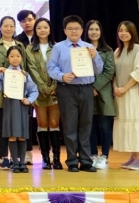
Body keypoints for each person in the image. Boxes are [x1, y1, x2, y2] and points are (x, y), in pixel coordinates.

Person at [47, 15, 103, 173]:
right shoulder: (58, 47)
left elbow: (99, 69)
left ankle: (85, 160)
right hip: (66, 89)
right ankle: (72, 160)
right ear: (65, 30)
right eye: (70, 28)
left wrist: (94, 57)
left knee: (86, 125)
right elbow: (51, 67)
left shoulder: (88, 47)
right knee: (69, 125)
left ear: (82, 30)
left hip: (86, 88)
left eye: (77, 28)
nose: (74, 31)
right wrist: (61, 76)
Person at [0, 16, 27, 170]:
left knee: (18, 126)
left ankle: (18, 159)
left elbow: (25, 70)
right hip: (0, 93)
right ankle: (3, 157)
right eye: (5, 26)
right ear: (0, 27)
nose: (9, 29)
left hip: (18, 94)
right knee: (2, 126)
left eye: (11, 26)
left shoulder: (20, 45)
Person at [113, 21, 139, 171]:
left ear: (133, 32)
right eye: (121, 30)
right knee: (126, 124)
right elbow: (113, 73)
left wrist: (125, 88)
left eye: (126, 30)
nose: (123, 33)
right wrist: (116, 87)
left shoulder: (138, 49)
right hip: (120, 95)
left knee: (135, 123)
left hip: (134, 94)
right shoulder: (117, 51)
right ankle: (133, 156)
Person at [0, 45, 39, 173]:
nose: (15, 58)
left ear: (22, 58)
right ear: (7, 58)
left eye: (18, 56)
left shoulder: (24, 74)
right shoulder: (4, 74)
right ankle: (15, 162)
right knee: (12, 136)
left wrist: (29, 100)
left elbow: (34, 90)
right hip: (9, 106)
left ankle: (22, 162)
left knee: (22, 136)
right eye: (12, 56)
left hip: (22, 106)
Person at [26, 18, 62, 170]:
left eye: (45, 27)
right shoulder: (29, 49)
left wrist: (54, 86)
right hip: (38, 91)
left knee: (54, 123)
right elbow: (32, 69)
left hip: (56, 90)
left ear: (50, 29)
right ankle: (45, 159)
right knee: (42, 123)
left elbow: (61, 67)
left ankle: (57, 158)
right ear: (35, 30)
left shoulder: (58, 47)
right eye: (39, 27)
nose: (42, 30)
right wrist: (42, 87)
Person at [82, 20, 115, 170]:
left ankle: (105, 156)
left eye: (97, 29)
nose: (94, 32)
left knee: (105, 126)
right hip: (86, 92)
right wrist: (89, 88)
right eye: (91, 29)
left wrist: (95, 86)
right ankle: (93, 155)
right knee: (90, 126)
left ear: (101, 32)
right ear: (86, 31)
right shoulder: (81, 49)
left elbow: (109, 72)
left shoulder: (107, 50)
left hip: (104, 93)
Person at [15, 10, 37, 165]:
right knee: (26, 120)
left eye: (29, 19)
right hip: (22, 86)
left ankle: (48, 154)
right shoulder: (17, 41)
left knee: (45, 122)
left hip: (41, 85)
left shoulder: (43, 37)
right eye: (23, 21)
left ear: (35, 19)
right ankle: (27, 152)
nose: (27, 23)